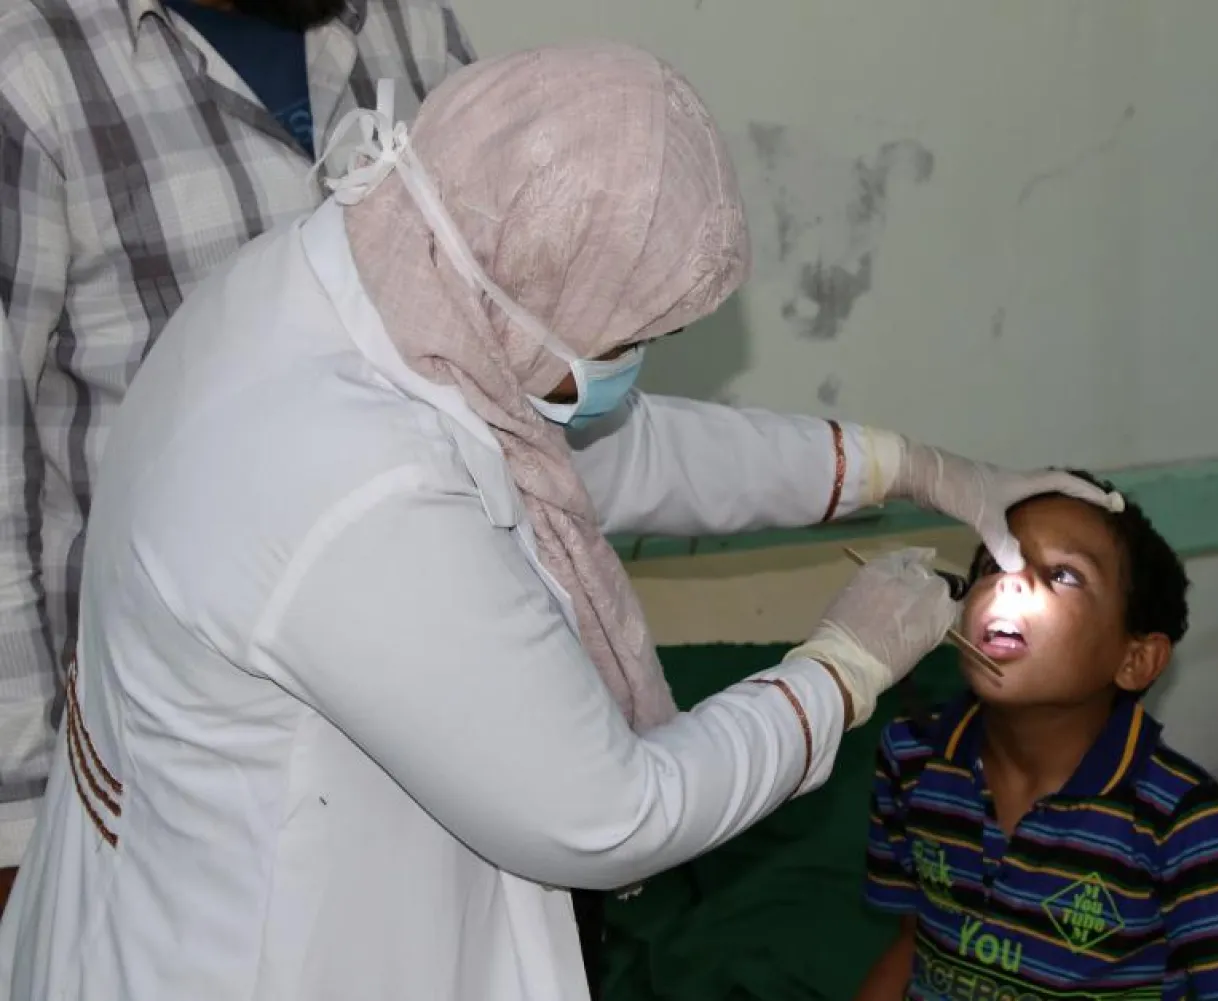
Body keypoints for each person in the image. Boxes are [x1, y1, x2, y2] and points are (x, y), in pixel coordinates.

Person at [0, 45, 1117, 1000]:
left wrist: (912, 464)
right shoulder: (356, 483)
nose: (631, 366)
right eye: (633, 334)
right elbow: (613, 813)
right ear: (528, 291)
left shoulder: (367, 283)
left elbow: (602, 452)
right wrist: (840, 667)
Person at [0, 0, 474, 907]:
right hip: (168, 807)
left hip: (437, 762)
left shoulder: (409, 28)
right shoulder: (32, 68)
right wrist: (19, 836)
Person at [857, 473, 1218, 1001]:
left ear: (1135, 660)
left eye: (1064, 575)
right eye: (992, 564)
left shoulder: (1176, 817)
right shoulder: (911, 757)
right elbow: (912, 942)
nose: (1008, 581)